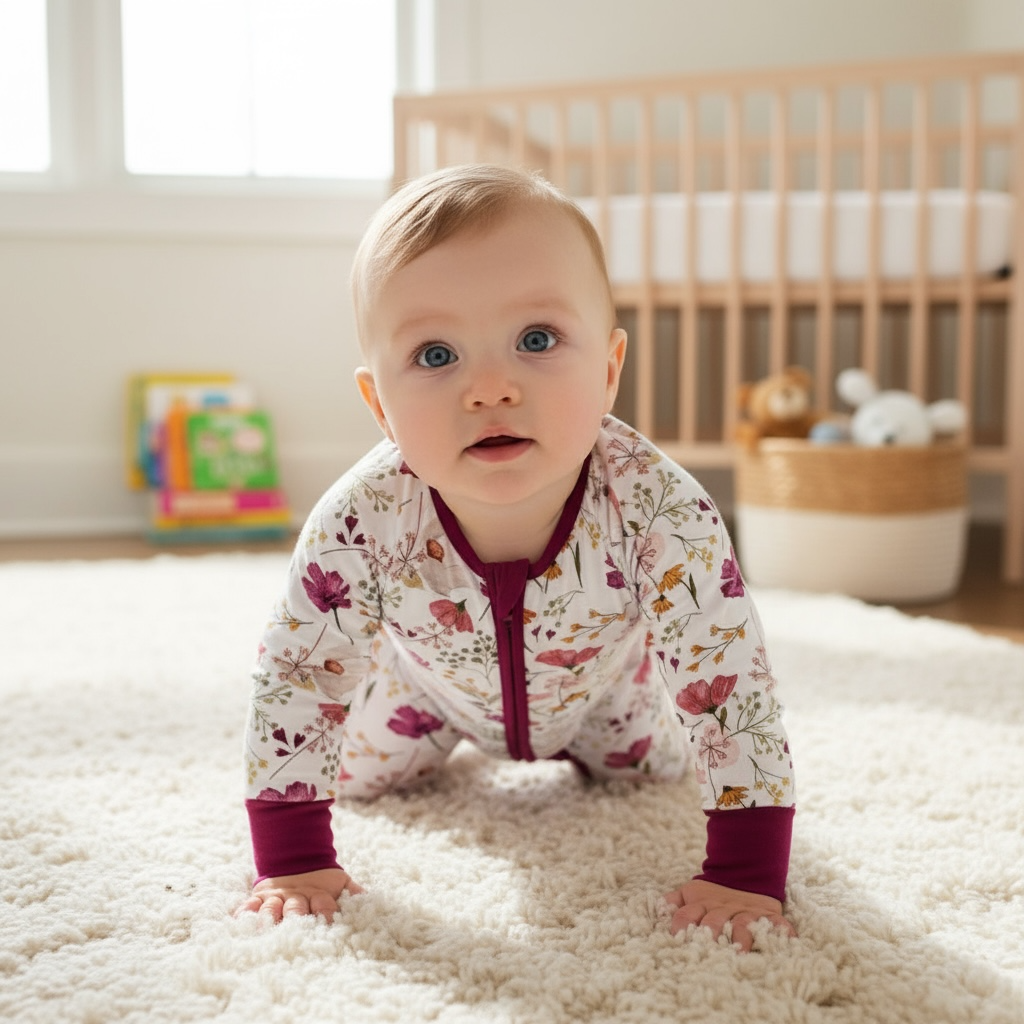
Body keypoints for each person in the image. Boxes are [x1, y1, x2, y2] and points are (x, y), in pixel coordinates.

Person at [237, 164, 796, 951]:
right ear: (379, 405)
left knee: (662, 771)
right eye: (436, 355)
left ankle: (620, 752)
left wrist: (746, 870)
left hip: (609, 697)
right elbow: (299, 672)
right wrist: (292, 861)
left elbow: (730, 679)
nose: (489, 387)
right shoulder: (365, 517)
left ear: (608, 369)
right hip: (421, 694)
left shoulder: (660, 509)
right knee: (350, 777)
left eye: (537, 340)